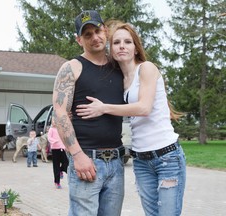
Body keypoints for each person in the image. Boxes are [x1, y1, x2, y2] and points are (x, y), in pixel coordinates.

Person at [76, 21, 186, 216]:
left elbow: (144, 107)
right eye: (116, 42)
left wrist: (103, 108)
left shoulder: (147, 68)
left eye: (127, 42)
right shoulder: (118, 77)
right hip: (141, 160)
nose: (122, 46)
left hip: (167, 157)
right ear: (111, 48)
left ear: (135, 48)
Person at [52, 10, 126, 216]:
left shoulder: (119, 67)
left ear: (105, 31)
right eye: (87, 34)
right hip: (87, 161)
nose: (95, 37)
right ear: (79, 40)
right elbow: (60, 114)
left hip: (117, 161)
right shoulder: (72, 68)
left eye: (98, 30)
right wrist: (77, 155)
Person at [47, 122, 69, 189]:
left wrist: (66, 146)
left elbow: (65, 138)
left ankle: (61, 171)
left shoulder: (61, 129)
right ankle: (57, 182)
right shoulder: (51, 129)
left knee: (66, 162)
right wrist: (55, 141)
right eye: (53, 121)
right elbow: (49, 138)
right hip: (55, 149)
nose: (54, 123)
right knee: (56, 166)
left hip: (62, 148)